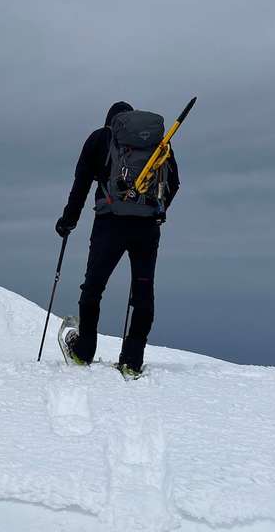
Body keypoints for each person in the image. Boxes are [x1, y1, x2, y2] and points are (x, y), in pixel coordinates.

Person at [55, 101, 180, 377]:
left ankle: (83, 351)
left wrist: (68, 221)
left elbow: (81, 184)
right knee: (143, 291)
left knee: (93, 287)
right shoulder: (158, 145)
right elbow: (174, 183)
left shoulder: (100, 138)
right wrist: (158, 211)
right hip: (147, 228)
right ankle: (131, 361)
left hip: (109, 224)